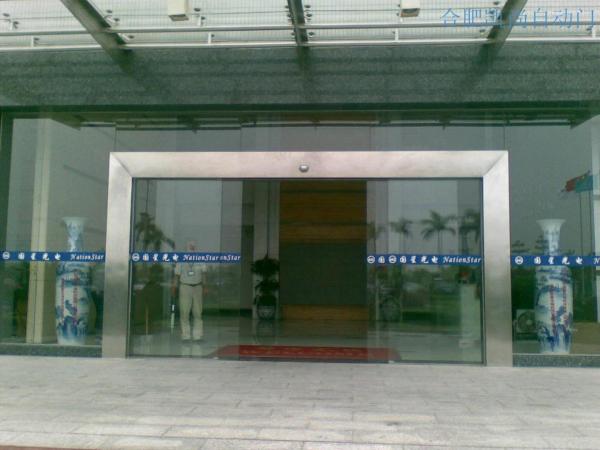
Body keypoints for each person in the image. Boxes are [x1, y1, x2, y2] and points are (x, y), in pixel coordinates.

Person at [172, 240, 207, 342]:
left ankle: (198, 336)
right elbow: (176, 275)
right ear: (187, 247)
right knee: (184, 312)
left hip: (198, 287)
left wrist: (205, 287)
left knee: (198, 312)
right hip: (185, 287)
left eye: (193, 246)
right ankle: (185, 336)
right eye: (190, 246)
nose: (192, 247)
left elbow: (204, 274)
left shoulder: (200, 259)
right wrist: (174, 287)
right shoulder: (181, 259)